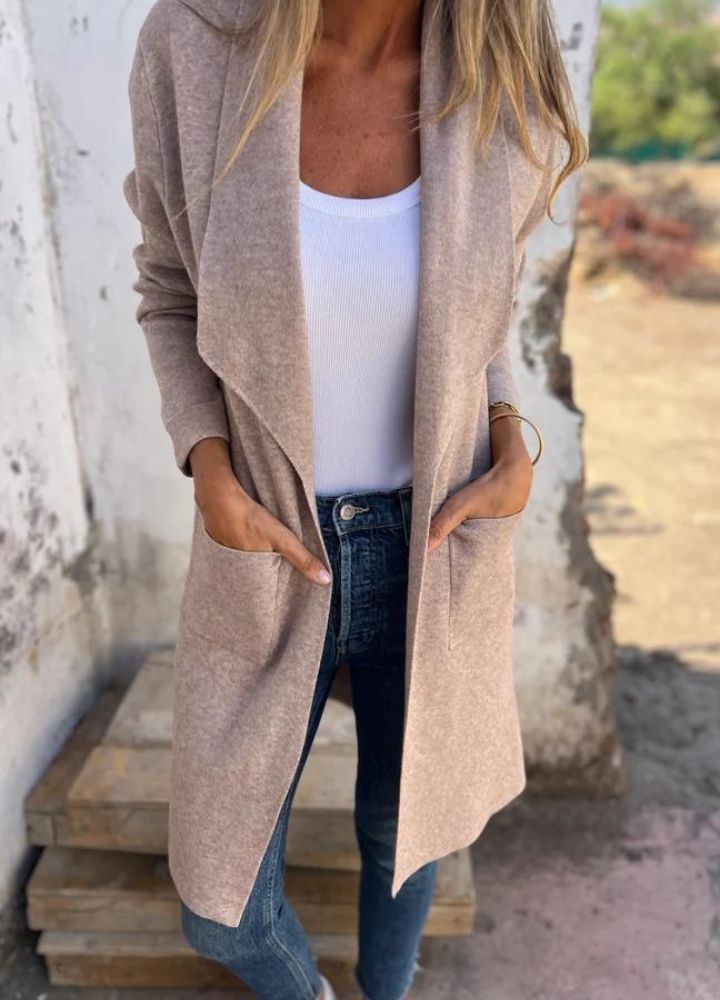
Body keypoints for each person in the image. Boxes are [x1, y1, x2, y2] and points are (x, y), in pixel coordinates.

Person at [123, 0, 586, 997]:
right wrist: (206, 460)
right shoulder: (194, 48)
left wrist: (512, 435)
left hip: (436, 541)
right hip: (269, 549)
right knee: (223, 911)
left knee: (400, 834)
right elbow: (168, 287)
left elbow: (484, 312)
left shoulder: (493, 69)